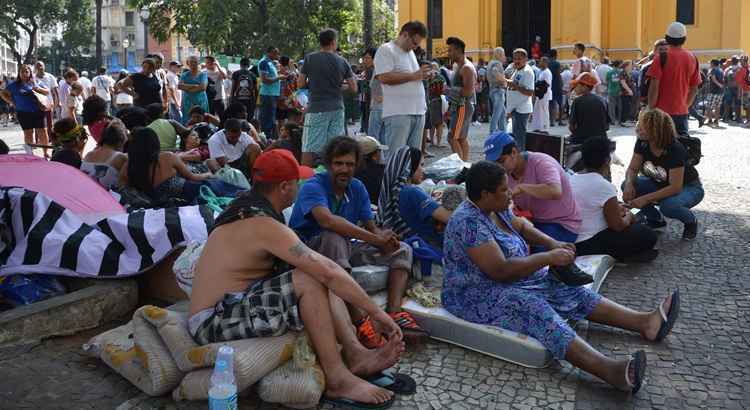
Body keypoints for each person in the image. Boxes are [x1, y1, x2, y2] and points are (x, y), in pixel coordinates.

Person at [442, 160, 681, 394]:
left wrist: (552, 243)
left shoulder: (496, 207)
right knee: (534, 308)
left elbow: (523, 227)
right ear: (485, 194)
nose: (510, 193)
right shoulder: (469, 223)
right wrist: (548, 258)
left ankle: (644, 322)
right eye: (504, 190)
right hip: (473, 294)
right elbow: (500, 270)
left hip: (509, 280)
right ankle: (609, 370)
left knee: (564, 287)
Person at [188, 149, 405, 407]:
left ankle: (355, 353)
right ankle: (337, 379)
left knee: (318, 275)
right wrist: (377, 314)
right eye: (296, 184)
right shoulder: (262, 224)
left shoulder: (249, 209)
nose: (299, 189)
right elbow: (327, 271)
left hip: (234, 305)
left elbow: (326, 272)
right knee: (312, 278)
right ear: (284, 187)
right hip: (212, 321)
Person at [289, 136, 427, 347]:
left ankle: (394, 313)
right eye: (339, 164)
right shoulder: (313, 186)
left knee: (403, 249)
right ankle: (361, 320)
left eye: (350, 164)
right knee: (333, 238)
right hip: (310, 251)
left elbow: (372, 227)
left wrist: (385, 238)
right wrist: (374, 238)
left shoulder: (357, 187)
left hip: (345, 246)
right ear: (328, 164)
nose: (344, 169)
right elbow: (327, 221)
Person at [484, 131, 581, 245]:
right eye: (494, 164)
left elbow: (555, 191)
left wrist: (521, 188)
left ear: (514, 152)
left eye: (501, 161)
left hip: (561, 223)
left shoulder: (541, 162)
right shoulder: (502, 172)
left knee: (531, 252)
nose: (498, 167)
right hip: (534, 221)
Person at [570, 137, 658, 262]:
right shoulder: (604, 186)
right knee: (648, 235)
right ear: (607, 161)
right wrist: (628, 217)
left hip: (572, 238)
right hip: (588, 242)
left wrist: (617, 208)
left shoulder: (572, 178)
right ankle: (625, 255)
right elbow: (618, 226)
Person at [623, 108, 703, 240]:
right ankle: (656, 220)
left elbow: (675, 187)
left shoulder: (674, 149)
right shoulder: (642, 142)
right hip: (659, 183)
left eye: (643, 126)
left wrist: (645, 199)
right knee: (628, 186)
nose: (638, 128)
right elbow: (632, 169)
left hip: (688, 187)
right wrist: (629, 184)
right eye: (639, 123)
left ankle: (690, 222)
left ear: (656, 129)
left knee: (669, 206)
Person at [120, 127, 243, 204]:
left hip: (155, 201)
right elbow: (193, 177)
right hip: (186, 193)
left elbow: (123, 188)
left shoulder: (128, 166)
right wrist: (209, 175)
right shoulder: (166, 157)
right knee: (219, 185)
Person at [298, 28, 356, 166]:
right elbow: (354, 88)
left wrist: (313, 85)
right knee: (334, 148)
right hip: (337, 108)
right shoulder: (342, 61)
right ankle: (330, 179)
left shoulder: (310, 58)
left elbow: (300, 83)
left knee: (309, 147)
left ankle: (304, 182)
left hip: (316, 108)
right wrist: (339, 87)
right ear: (333, 42)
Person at [379, 147, 452, 250]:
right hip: (429, 245)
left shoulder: (395, 190)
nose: (424, 169)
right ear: (409, 167)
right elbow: (450, 218)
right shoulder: (412, 192)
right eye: (421, 165)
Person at [374, 21, 431, 151]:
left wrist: (422, 75)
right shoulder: (386, 49)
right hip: (398, 113)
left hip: (417, 111)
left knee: (413, 158)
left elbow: (413, 76)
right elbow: (384, 77)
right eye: (414, 43)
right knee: (396, 157)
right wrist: (413, 76)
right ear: (405, 35)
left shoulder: (410, 52)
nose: (416, 47)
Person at [646, 22, 701, 136]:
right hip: (681, 113)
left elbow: (654, 87)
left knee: (659, 147)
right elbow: (694, 88)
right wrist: (684, 106)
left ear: (666, 38)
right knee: (680, 148)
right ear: (684, 39)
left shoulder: (660, 57)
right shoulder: (692, 58)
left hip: (660, 113)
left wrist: (651, 109)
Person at [0, 64, 50, 156]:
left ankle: (46, 152)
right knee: (28, 133)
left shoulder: (36, 82)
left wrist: (37, 88)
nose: (24, 73)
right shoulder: (14, 85)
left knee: (42, 132)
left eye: (26, 71)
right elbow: (3, 93)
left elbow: (47, 91)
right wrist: (12, 102)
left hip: (38, 111)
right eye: (22, 71)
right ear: (19, 73)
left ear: (30, 73)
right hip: (23, 112)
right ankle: (30, 154)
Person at [445, 36, 476, 161]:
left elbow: (468, 92)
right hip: (460, 106)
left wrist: (448, 90)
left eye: (450, 50)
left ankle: (460, 167)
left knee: (452, 137)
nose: (448, 53)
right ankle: (464, 165)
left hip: (463, 106)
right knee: (461, 137)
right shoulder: (460, 66)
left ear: (458, 51)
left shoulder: (466, 68)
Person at [81, 119, 128, 190]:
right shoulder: (121, 157)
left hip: (83, 193)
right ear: (121, 142)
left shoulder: (89, 154)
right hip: (103, 198)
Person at [504, 49, 535, 150]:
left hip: (522, 110)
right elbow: (514, 85)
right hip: (515, 109)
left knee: (519, 139)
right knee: (516, 137)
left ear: (525, 59)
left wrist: (515, 86)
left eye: (519, 59)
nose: (516, 61)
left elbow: (530, 92)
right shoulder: (517, 69)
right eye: (514, 58)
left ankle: (521, 160)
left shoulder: (527, 72)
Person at [568, 73, 608, 143]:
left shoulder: (577, 101)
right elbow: (606, 126)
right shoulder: (602, 100)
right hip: (601, 139)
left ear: (584, 87)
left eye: (577, 85)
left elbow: (572, 126)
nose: (575, 88)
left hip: (583, 140)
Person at [259, 47, 285, 140]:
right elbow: (265, 80)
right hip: (267, 95)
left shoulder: (270, 63)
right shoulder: (264, 62)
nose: (277, 55)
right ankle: (266, 139)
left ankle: (269, 138)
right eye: (275, 53)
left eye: (278, 53)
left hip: (272, 94)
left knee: (271, 118)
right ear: (269, 53)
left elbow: (271, 76)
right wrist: (278, 78)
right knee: (267, 119)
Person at [354, 135, 388, 204]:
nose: (381, 155)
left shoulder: (351, 171)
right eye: (379, 152)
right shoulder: (383, 172)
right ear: (374, 156)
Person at [179, 56, 209, 124]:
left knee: (202, 120)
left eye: (195, 62)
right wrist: (194, 86)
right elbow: (180, 86)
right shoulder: (184, 75)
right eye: (191, 62)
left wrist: (188, 89)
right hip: (187, 102)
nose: (193, 64)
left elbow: (203, 87)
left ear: (198, 63)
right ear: (188, 63)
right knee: (188, 120)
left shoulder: (203, 74)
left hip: (200, 101)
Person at [34, 61, 58, 136]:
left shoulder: (50, 77)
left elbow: (55, 91)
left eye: (41, 65)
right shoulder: (33, 78)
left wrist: (57, 103)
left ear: (44, 67)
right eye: (37, 66)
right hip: (37, 105)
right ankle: (38, 140)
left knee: (50, 123)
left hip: (48, 104)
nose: (39, 67)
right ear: (35, 68)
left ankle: (51, 139)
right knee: (38, 123)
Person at [487, 47, 507, 134]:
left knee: (502, 114)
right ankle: (492, 133)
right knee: (497, 114)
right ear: (499, 54)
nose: (504, 56)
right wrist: (504, 81)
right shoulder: (497, 64)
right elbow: (496, 73)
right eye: (503, 54)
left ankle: (503, 133)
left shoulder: (491, 63)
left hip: (493, 90)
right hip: (498, 90)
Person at [231, 57, 257, 122]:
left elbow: (233, 88)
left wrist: (232, 99)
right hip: (249, 100)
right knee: (249, 118)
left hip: (238, 99)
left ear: (240, 64)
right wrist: (255, 101)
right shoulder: (253, 75)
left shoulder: (236, 73)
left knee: (238, 118)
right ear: (248, 65)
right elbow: (256, 90)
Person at [531, 56, 552, 132]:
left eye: (541, 61)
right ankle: (538, 126)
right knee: (537, 111)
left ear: (545, 63)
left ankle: (544, 127)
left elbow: (547, 84)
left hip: (544, 94)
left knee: (544, 111)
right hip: (539, 94)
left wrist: (538, 85)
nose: (539, 63)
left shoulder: (547, 72)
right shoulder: (542, 71)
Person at [705, 59, 724, 127]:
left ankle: (710, 121)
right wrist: (721, 86)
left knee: (709, 106)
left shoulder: (713, 70)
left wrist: (719, 85)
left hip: (713, 91)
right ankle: (716, 121)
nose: (710, 64)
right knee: (717, 107)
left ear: (713, 64)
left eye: (710, 63)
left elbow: (713, 78)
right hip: (720, 92)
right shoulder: (721, 70)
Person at [548, 49, 564, 126]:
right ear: (556, 55)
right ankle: (560, 121)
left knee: (551, 104)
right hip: (557, 85)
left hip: (550, 85)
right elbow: (558, 75)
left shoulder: (547, 63)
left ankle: (551, 121)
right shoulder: (557, 63)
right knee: (560, 104)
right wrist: (561, 84)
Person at [606, 60, 622, 126]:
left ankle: (613, 120)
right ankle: (619, 120)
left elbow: (607, 81)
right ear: (618, 65)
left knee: (611, 107)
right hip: (619, 91)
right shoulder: (620, 72)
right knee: (619, 106)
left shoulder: (609, 72)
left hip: (611, 91)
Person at [736, 55, 750, 126]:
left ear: (743, 61)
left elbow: (739, 83)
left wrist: (739, 94)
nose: (739, 62)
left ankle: (748, 121)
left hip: (746, 90)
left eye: (740, 60)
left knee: (747, 107)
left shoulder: (741, 70)